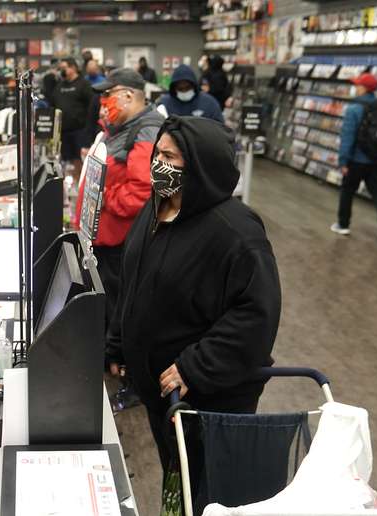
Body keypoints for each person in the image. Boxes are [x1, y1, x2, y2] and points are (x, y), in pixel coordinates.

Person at [106, 116, 281, 502]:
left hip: (210, 401)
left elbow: (255, 315)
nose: (157, 163)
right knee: (178, 482)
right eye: (158, 153)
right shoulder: (157, 208)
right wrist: (118, 343)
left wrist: (194, 366)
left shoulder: (236, 232)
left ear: (200, 164)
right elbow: (132, 282)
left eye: (170, 156)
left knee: (209, 493)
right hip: (163, 397)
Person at [77, 68, 164, 328]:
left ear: (128, 95)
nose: (103, 102)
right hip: (105, 242)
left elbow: (141, 192)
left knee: (116, 308)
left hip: (120, 247)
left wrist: (103, 198)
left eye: (108, 94)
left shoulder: (146, 131)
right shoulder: (119, 128)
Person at [331, 73, 377, 245]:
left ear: (363, 88)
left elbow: (347, 136)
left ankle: (343, 224)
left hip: (356, 160)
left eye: (357, 85)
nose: (355, 87)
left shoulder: (354, 109)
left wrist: (343, 161)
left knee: (348, 191)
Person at [52, 57, 94, 177]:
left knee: (79, 160)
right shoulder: (59, 86)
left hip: (80, 131)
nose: (61, 71)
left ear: (73, 68)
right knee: (65, 160)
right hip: (63, 131)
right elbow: (53, 103)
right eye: (60, 69)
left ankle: (79, 185)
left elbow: (91, 106)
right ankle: (68, 186)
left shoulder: (84, 84)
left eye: (64, 68)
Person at [157, 64, 224, 123]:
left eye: (187, 87)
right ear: (174, 88)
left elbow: (220, 128)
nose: (184, 91)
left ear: (194, 86)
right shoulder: (164, 104)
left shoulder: (209, 103)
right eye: (180, 89)